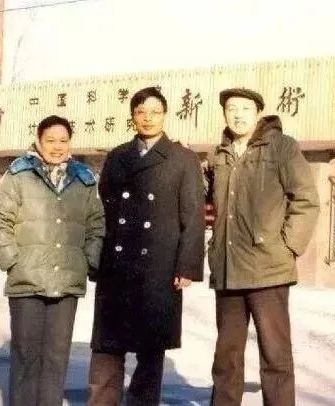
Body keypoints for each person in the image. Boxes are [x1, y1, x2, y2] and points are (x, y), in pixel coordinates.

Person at [88, 86, 206, 406]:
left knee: (150, 351)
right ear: (132, 116)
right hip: (116, 264)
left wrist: (187, 266)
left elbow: (193, 215)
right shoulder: (117, 157)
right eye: (141, 112)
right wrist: (97, 259)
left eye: (155, 112)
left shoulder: (183, 158)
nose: (148, 118)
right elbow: (103, 210)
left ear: (165, 115)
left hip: (159, 266)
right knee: (107, 347)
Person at [206, 88, 320, 406]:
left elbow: (306, 200)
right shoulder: (219, 155)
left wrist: (287, 247)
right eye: (231, 108)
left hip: (269, 270)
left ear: (258, 113)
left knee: (275, 355)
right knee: (226, 356)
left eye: (245, 108)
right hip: (228, 268)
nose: (238, 114)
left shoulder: (282, 147)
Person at [0, 114, 105, 406]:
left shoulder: (84, 179)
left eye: (63, 140)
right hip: (26, 281)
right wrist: (13, 261)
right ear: (39, 142)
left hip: (67, 281)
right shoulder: (19, 175)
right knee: (26, 357)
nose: (57, 146)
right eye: (50, 140)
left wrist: (87, 261)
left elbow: (97, 224)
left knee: (56, 358)